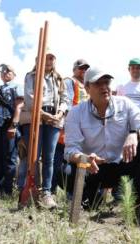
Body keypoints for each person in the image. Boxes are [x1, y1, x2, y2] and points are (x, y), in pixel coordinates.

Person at [64, 67, 140, 211]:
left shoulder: (125, 104)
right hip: (93, 169)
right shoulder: (76, 113)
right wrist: (84, 158)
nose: (104, 87)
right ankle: (88, 198)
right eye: (98, 84)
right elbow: (70, 150)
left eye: (107, 83)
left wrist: (135, 135)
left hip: (123, 165)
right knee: (65, 171)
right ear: (87, 87)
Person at [18, 50, 68, 208]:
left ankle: (46, 192)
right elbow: (29, 98)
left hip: (54, 119)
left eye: (52, 58)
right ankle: (29, 189)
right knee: (33, 156)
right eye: (46, 57)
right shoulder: (31, 76)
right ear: (38, 59)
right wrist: (44, 114)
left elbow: (65, 98)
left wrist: (60, 112)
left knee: (49, 158)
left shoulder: (59, 78)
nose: (49, 60)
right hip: (36, 117)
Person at [51, 59, 90, 196]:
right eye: (81, 68)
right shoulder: (69, 81)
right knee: (58, 162)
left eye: (86, 68)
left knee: (75, 163)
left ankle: (73, 195)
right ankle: (51, 192)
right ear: (74, 69)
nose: (83, 71)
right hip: (67, 129)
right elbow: (67, 104)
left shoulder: (87, 85)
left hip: (81, 130)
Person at [0, 65, 23, 195]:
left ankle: (7, 190)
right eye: (3, 71)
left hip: (10, 125)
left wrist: (13, 126)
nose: (5, 73)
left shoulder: (17, 86)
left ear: (14, 73)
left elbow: (19, 106)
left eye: (8, 70)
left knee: (9, 158)